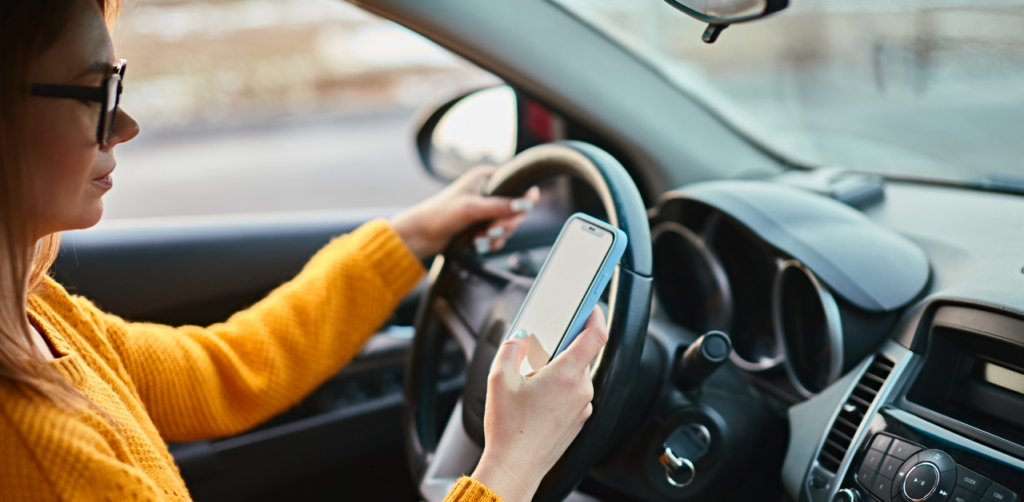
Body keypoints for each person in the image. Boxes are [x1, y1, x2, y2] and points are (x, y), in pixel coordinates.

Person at [0, 0, 609, 501]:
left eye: (119, 81)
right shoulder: (45, 462)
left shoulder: (38, 314)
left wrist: (410, 238)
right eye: (95, 90)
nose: (126, 123)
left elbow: (227, 370)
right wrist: (511, 465)